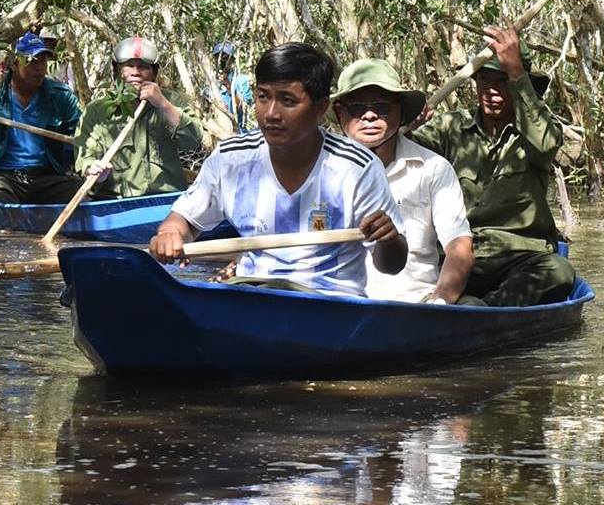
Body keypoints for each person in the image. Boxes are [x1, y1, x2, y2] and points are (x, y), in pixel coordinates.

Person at [151, 42, 407, 295]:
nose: (271, 113)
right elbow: (183, 221)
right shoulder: (231, 158)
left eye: (288, 100)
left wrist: (388, 239)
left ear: (321, 108)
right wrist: (170, 234)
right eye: (263, 97)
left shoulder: (357, 168)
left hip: (331, 308)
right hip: (254, 299)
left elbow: (392, 265)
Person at [411, 24, 576, 306]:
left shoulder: (538, 130)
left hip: (520, 257)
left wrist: (516, 72)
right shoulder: (449, 128)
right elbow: (395, 158)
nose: (491, 90)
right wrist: (402, 124)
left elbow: (548, 143)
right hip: (460, 256)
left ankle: (483, 309)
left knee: (559, 272)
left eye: (502, 81)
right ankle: (461, 306)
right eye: (484, 80)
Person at [331, 58, 474, 304]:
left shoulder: (434, 169)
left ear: (400, 112)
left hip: (415, 306)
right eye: (356, 108)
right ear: (339, 112)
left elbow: (459, 246)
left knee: (472, 308)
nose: (369, 116)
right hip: (336, 304)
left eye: (382, 107)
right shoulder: (321, 168)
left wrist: (438, 305)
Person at [75, 36, 204, 197]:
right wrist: (93, 170)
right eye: (128, 66)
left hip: (168, 199)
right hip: (116, 201)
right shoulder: (97, 111)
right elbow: (85, 158)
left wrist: (163, 104)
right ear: (116, 70)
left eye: (143, 67)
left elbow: (193, 141)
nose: (135, 72)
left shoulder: (173, 101)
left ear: (154, 73)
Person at [0, 32, 82, 204]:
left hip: (47, 177)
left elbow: (82, 132)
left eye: (43, 61)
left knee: (84, 195)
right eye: (32, 61)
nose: (40, 68)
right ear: (14, 64)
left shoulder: (61, 96)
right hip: (3, 178)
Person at [212, 40, 253, 132]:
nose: (221, 60)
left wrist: (228, 85)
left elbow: (244, 108)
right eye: (217, 56)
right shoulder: (211, 83)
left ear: (232, 59)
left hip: (239, 134)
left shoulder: (243, 81)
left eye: (225, 57)